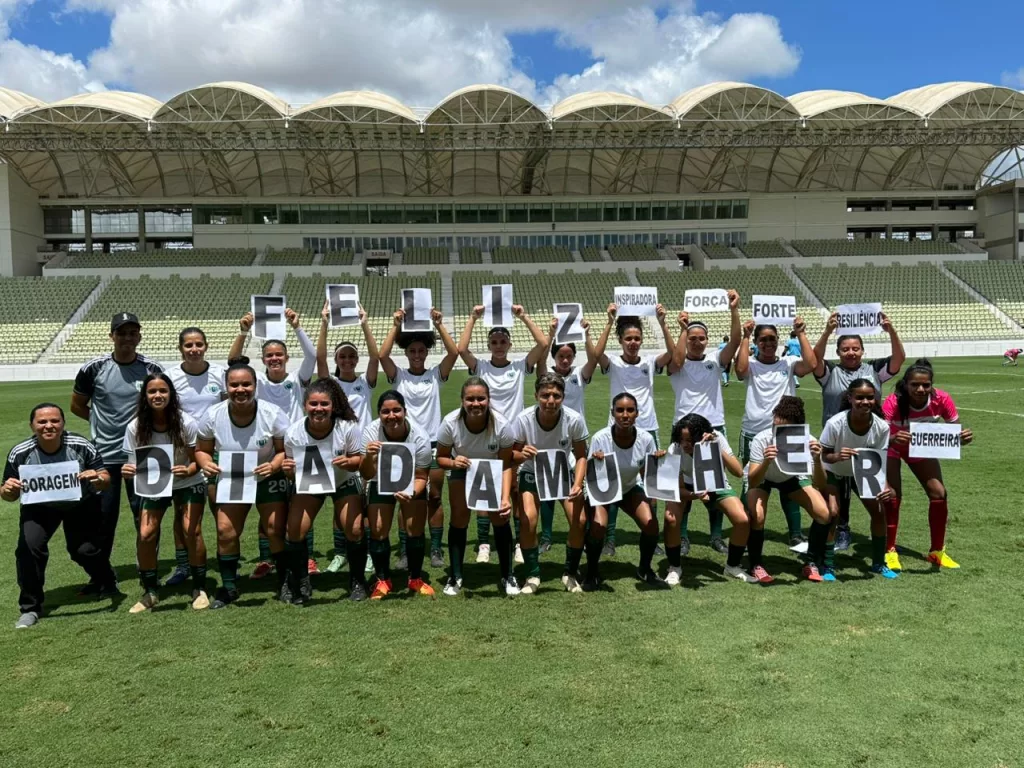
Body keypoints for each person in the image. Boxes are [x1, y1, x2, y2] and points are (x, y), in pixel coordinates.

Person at [3, 404, 117, 629]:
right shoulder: (20, 452)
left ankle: (106, 579)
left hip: (80, 503)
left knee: (84, 550)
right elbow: (8, 493)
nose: (49, 426)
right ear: (32, 425)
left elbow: (104, 477)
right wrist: (8, 490)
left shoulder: (80, 445)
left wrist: (98, 478)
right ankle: (30, 607)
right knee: (29, 548)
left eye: (55, 421)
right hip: (39, 507)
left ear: (63, 423)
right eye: (42, 422)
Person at [71, 312, 163, 589]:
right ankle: (101, 575)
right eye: (121, 333)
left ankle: (148, 569)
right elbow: (77, 405)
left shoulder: (152, 368)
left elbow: (162, 403)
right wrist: (100, 424)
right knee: (103, 518)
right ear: (111, 336)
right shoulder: (94, 368)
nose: (127, 338)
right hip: (104, 455)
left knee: (145, 515)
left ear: (139, 336)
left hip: (144, 453)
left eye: (132, 333)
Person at [195, 357, 290, 609]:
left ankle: (284, 581)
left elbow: (284, 450)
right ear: (226, 387)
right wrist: (205, 462)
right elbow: (202, 450)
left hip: (266, 475)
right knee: (226, 531)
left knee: (275, 529)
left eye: (246, 384)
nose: (240, 390)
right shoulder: (213, 415)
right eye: (234, 385)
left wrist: (274, 465)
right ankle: (229, 587)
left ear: (255, 385)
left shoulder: (272, 413)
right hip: (234, 475)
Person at [457, 303, 549, 565]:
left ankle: (518, 543)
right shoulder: (481, 367)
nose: (498, 346)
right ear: (489, 345)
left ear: (509, 344)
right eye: (494, 342)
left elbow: (543, 344)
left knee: (516, 491)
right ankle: (484, 543)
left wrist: (523, 316)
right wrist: (473, 318)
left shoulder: (519, 366)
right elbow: (461, 350)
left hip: (515, 436)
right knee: (485, 488)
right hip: (487, 434)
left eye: (503, 341)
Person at [229, 307, 317, 577]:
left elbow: (312, 355)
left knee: (303, 503)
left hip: (299, 449)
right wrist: (243, 332)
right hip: (269, 451)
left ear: (287, 358)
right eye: (270, 355)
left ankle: (308, 558)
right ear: (263, 359)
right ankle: (266, 559)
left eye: (279, 354)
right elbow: (234, 363)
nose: (275, 358)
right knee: (270, 507)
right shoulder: (257, 381)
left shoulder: (297, 379)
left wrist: (297, 326)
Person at [812, 311, 904, 552]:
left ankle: (880, 544)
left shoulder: (874, 370)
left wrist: (891, 331)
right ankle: (841, 530)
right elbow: (813, 361)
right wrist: (827, 331)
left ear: (863, 351)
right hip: (836, 440)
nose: (851, 353)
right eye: (845, 349)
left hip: (868, 441)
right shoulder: (830, 372)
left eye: (855, 348)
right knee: (838, 491)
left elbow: (898, 360)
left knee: (870, 492)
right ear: (838, 352)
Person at [379, 306, 459, 572]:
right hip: (404, 446)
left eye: (421, 351)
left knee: (434, 497)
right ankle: (404, 550)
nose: (416, 355)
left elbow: (454, 353)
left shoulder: (435, 375)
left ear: (426, 352)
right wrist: (396, 325)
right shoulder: (398, 376)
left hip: (433, 445)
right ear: (406, 353)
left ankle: (435, 548)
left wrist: (439, 324)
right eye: (412, 351)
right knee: (405, 499)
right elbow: (382, 355)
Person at [592, 302, 675, 557]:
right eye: (628, 338)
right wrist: (609, 322)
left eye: (637, 338)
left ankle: (652, 535)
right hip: (617, 430)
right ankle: (610, 538)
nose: (633, 342)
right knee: (612, 483)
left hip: (647, 429)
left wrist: (662, 323)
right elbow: (596, 355)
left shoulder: (649, 362)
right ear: (620, 340)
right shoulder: (614, 363)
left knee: (653, 487)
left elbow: (673, 354)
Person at [122, 373, 207, 612]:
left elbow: (198, 460)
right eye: (152, 391)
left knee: (191, 530)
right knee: (146, 533)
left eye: (163, 391)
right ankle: (150, 592)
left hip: (188, 481)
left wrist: (188, 470)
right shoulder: (135, 426)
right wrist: (128, 471)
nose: (157, 395)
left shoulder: (186, 422)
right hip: (155, 484)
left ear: (171, 394)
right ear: (144, 396)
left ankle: (199, 587)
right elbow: (132, 464)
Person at [666, 291, 740, 555]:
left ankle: (716, 536)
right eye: (692, 338)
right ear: (686, 340)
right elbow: (676, 360)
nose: (697, 342)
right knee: (684, 484)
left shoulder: (715, 361)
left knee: (714, 483)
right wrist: (682, 329)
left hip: (713, 429)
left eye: (701, 338)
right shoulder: (677, 364)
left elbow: (735, 341)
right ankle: (683, 536)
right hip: (684, 432)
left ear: (708, 341)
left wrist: (734, 310)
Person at [882, 359, 972, 571]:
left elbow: (953, 432)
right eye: (915, 385)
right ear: (906, 384)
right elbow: (877, 437)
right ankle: (889, 549)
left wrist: (962, 438)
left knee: (939, 493)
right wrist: (893, 439)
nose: (921, 389)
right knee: (892, 495)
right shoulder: (893, 402)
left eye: (926, 385)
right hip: (892, 447)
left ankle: (937, 551)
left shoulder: (942, 399)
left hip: (920, 448)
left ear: (932, 385)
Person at [735, 318, 816, 549]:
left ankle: (795, 533)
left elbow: (811, 364)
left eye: (772, 339)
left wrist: (801, 333)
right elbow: (739, 371)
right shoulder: (751, 363)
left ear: (778, 340)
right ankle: (748, 527)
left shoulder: (788, 363)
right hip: (754, 433)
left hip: (786, 433)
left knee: (790, 479)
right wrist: (745, 336)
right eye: (763, 340)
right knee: (752, 483)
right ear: (756, 342)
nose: (768, 343)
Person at [281, 379, 364, 603]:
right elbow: (292, 472)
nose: (319, 409)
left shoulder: (347, 427)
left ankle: (357, 581)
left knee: (355, 528)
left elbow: (359, 460)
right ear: (305, 406)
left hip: (343, 480)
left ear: (333, 406)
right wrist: (288, 471)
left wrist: (349, 462)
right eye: (314, 404)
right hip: (311, 482)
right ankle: (301, 580)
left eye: (324, 404)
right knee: (295, 530)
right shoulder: (294, 433)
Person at [435, 377, 516, 596]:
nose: (476, 404)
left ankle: (508, 575)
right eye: (470, 399)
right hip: (463, 470)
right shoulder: (450, 422)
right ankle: (455, 575)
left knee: (500, 517)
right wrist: (454, 463)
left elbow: (506, 464)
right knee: (459, 518)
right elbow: (440, 458)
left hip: (492, 470)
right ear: (462, 401)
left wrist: (505, 498)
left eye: (481, 398)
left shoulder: (502, 425)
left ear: (489, 399)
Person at [509, 373, 589, 594]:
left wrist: (578, 483)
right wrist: (522, 454)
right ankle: (532, 574)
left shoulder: (574, 419)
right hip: (532, 471)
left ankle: (569, 573)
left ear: (563, 397)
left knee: (579, 520)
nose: (551, 401)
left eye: (556, 395)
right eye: (545, 395)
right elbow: (511, 455)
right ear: (536, 395)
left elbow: (581, 455)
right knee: (528, 521)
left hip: (563, 471)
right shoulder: (524, 419)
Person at [315, 301, 379, 574]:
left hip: (365, 449)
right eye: (343, 356)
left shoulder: (365, 382)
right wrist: (324, 323)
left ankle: (367, 552)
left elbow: (375, 357)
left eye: (352, 356)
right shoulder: (330, 384)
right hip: (339, 449)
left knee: (366, 502)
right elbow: (319, 359)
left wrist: (365, 323)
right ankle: (340, 552)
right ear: (337, 360)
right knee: (340, 501)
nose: (348, 360)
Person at [743, 396, 830, 583]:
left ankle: (811, 562)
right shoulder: (762, 439)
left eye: (782, 429)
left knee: (823, 513)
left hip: (791, 477)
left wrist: (817, 460)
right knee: (757, 516)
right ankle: (755, 564)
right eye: (775, 426)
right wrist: (766, 461)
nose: (776, 432)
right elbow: (753, 480)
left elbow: (820, 483)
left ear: (797, 428)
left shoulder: (808, 441)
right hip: (763, 477)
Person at [358, 390, 435, 600]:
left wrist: (413, 493)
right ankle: (383, 580)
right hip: (379, 481)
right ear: (379, 414)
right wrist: (369, 457)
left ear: (405, 412)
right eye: (385, 411)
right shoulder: (371, 432)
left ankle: (415, 578)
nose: (391, 416)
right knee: (378, 529)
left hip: (411, 481)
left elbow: (422, 475)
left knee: (414, 529)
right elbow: (366, 474)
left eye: (396, 410)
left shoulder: (420, 436)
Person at [585, 393, 666, 590]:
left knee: (651, 524)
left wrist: (658, 462)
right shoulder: (600, 438)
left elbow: (647, 475)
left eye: (630, 410)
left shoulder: (646, 439)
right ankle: (591, 572)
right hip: (603, 488)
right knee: (598, 526)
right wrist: (596, 461)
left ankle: (644, 569)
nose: (625, 415)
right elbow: (590, 473)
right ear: (612, 413)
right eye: (620, 410)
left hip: (629, 487)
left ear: (637, 413)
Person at [163, 327, 224, 587]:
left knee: (220, 507)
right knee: (182, 512)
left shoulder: (219, 373)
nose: (194, 349)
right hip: (184, 451)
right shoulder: (171, 376)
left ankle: (225, 558)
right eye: (188, 345)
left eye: (199, 344)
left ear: (206, 346)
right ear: (181, 348)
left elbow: (227, 407)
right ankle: (183, 564)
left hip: (215, 450)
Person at [817, 379, 896, 580]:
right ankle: (827, 564)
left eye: (870, 397)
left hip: (863, 472)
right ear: (850, 398)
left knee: (879, 512)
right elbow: (822, 455)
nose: (865, 402)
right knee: (833, 513)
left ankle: (878, 563)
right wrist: (837, 456)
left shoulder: (881, 427)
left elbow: (879, 461)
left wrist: (886, 486)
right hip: (834, 471)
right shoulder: (835, 423)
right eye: (859, 397)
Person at [663, 413, 755, 585]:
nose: (685, 444)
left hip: (715, 483)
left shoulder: (716, 438)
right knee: (670, 519)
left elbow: (738, 472)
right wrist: (694, 495)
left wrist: (716, 447)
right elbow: (677, 488)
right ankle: (674, 567)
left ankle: (732, 566)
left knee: (742, 519)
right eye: (682, 439)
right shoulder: (675, 449)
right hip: (687, 486)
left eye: (690, 440)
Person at [533, 315, 599, 553]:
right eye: (560, 355)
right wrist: (551, 334)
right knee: (549, 490)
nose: (565, 359)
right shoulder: (548, 376)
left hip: (576, 439)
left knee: (579, 487)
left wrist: (587, 334)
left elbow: (594, 359)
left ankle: (584, 529)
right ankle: (546, 536)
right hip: (552, 438)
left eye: (569, 355)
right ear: (554, 356)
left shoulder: (579, 374)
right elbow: (540, 361)